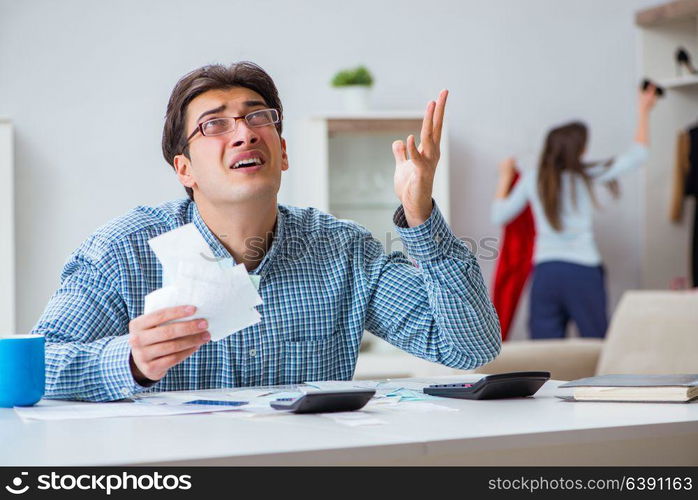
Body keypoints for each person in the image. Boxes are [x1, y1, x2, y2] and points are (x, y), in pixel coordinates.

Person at [34, 62, 501, 401]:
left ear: (283, 152)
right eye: (214, 124)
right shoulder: (125, 251)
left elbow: (469, 348)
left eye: (258, 116)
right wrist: (130, 362)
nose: (244, 132)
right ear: (184, 170)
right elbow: (34, 368)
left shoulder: (344, 250)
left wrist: (420, 215)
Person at [491, 86, 657, 339]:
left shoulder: (533, 179)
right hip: (583, 271)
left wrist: (504, 178)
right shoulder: (587, 174)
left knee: (545, 353)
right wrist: (644, 110)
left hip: (546, 273)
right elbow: (639, 154)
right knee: (596, 344)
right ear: (579, 150)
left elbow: (499, 216)